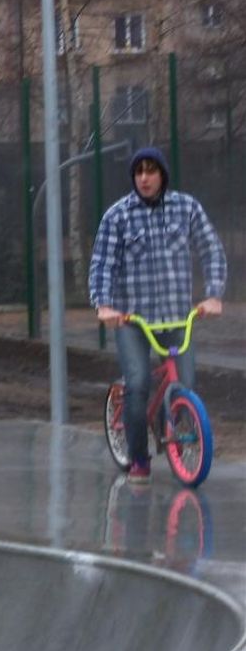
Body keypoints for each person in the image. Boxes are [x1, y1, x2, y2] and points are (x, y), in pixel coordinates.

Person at [89, 146, 227, 484]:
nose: (145, 178)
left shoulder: (186, 208)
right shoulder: (117, 216)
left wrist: (213, 294)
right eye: (139, 172)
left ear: (162, 175)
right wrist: (104, 305)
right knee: (136, 385)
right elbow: (102, 266)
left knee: (184, 385)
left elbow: (211, 249)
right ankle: (138, 457)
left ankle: (175, 438)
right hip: (133, 320)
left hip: (177, 317)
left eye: (151, 171)